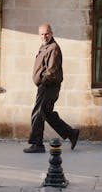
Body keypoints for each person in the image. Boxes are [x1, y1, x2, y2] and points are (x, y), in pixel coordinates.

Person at [23, 23, 80, 153]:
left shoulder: (53, 48)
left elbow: (51, 70)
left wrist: (42, 81)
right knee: (47, 114)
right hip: (46, 86)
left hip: (48, 86)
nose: (44, 36)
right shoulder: (45, 47)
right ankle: (71, 133)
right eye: (42, 34)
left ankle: (37, 144)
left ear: (51, 33)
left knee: (37, 113)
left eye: (46, 33)